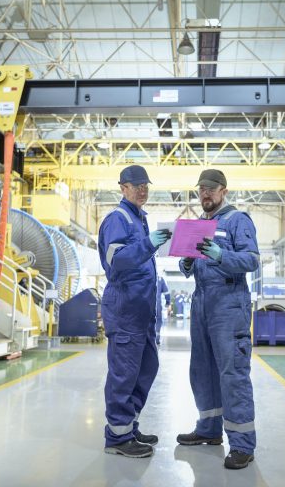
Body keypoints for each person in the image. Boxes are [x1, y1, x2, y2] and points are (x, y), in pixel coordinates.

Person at [176, 168, 260, 470]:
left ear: (223, 191)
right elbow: (193, 267)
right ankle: (209, 430)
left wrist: (220, 255)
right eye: (202, 190)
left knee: (232, 372)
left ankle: (242, 444)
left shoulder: (238, 220)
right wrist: (188, 262)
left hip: (229, 304)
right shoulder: (198, 225)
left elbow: (251, 260)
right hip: (201, 302)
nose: (205, 194)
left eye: (211, 189)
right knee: (202, 370)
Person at [97, 165, 172, 458]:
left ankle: (129, 424)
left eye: (145, 185)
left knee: (146, 369)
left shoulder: (139, 220)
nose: (142, 190)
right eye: (136, 185)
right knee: (124, 374)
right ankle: (117, 437)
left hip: (141, 312)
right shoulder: (119, 219)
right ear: (123, 188)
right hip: (125, 308)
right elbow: (118, 260)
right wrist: (148, 243)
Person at [155, 276, 170, 345]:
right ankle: (156, 338)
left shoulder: (142, 275)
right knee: (158, 321)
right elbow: (166, 292)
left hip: (144, 304)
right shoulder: (159, 279)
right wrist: (168, 302)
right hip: (156, 304)